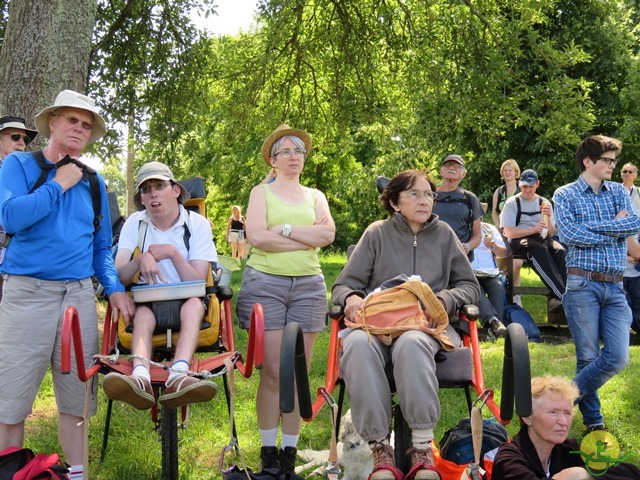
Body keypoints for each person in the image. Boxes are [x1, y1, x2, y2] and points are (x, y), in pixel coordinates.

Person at [0, 89, 135, 480]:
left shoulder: (94, 182)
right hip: (27, 294)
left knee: (77, 403)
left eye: (86, 124)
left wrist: (112, 288)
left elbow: (101, 247)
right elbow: (11, 218)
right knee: (11, 402)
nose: (79, 128)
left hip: (76, 297)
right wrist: (58, 183)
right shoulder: (19, 166)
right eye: (72, 120)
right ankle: (11, 472)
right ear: (53, 122)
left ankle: (79, 475)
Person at [332, 169, 480, 480]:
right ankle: (379, 447)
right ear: (395, 203)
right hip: (379, 326)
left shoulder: (445, 236)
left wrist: (443, 299)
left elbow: (469, 286)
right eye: (414, 194)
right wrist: (352, 300)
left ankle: (422, 447)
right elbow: (344, 285)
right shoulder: (377, 234)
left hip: (426, 327)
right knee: (357, 344)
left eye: (428, 194)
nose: (424, 200)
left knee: (412, 341)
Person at [236, 124, 335, 474]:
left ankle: (288, 458)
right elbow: (258, 239)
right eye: (286, 152)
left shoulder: (315, 196)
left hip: (309, 286)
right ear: (273, 160)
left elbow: (328, 233)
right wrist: (306, 239)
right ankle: (267, 454)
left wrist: (288, 231)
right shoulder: (260, 193)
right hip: (266, 284)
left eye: (299, 152)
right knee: (274, 374)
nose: (294, 157)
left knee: (298, 374)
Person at [102, 161, 218, 410]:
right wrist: (139, 260)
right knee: (142, 315)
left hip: (190, 297)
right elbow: (121, 275)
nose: (153, 193)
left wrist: (173, 254)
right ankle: (140, 378)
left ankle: (179, 374)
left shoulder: (196, 224)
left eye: (159, 186)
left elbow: (198, 280)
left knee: (194, 307)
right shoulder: (135, 222)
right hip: (149, 298)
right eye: (146, 189)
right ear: (141, 199)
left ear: (175, 190)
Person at [553, 135, 640, 432]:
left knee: (616, 356)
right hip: (582, 284)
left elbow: (633, 224)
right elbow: (569, 235)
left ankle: (558, 401)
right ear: (588, 161)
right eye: (608, 160)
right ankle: (594, 423)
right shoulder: (565, 194)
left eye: (615, 161)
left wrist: (590, 227)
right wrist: (613, 229)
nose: (613, 166)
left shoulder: (618, 191)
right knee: (587, 356)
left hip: (616, 286)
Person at [492, 375, 640, 479]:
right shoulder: (508, 460)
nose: (563, 421)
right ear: (527, 417)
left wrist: (581, 474)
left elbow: (630, 472)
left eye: (567, 413)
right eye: (553, 412)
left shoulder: (568, 449)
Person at [501, 169, 566, 302]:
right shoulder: (512, 203)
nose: (528, 190)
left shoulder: (544, 202)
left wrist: (548, 219)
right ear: (520, 185)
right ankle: (563, 297)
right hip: (520, 241)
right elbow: (508, 232)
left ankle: (563, 296)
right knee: (539, 250)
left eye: (531, 186)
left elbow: (551, 233)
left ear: (537, 184)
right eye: (525, 186)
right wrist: (533, 229)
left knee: (560, 251)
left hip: (541, 238)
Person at [0, 116, 38, 302]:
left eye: (26, 139)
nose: (22, 142)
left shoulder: (31, 173)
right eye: (15, 136)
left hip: (17, 264)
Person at [432, 154, 483, 260]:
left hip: (460, 258)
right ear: (441, 171)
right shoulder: (429, 196)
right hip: (432, 256)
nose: (451, 168)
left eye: (456, 166)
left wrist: (467, 247)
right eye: (448, 165)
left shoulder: (469, 198)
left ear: (463, 174)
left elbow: (477, 235)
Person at [473, 204, 508, 340]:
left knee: (496, 287)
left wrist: (493, 245)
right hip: (469, 271)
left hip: (489, 272)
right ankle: (494, 322)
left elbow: (504, 253)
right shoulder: (462, 229)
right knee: (475, 287)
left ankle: (494, 328)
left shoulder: (489, 228)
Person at [492, 158, 524, 306]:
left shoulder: (522, 189)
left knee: (516, 264)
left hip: (519, 232)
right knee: (502, 264)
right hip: (502, 232)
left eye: (510, 170)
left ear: (516, 172)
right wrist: (499, 227)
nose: (507, 172)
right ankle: (503, 295)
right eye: (505, 170)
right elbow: (494, 211)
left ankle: (515, 294)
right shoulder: (499, 191)